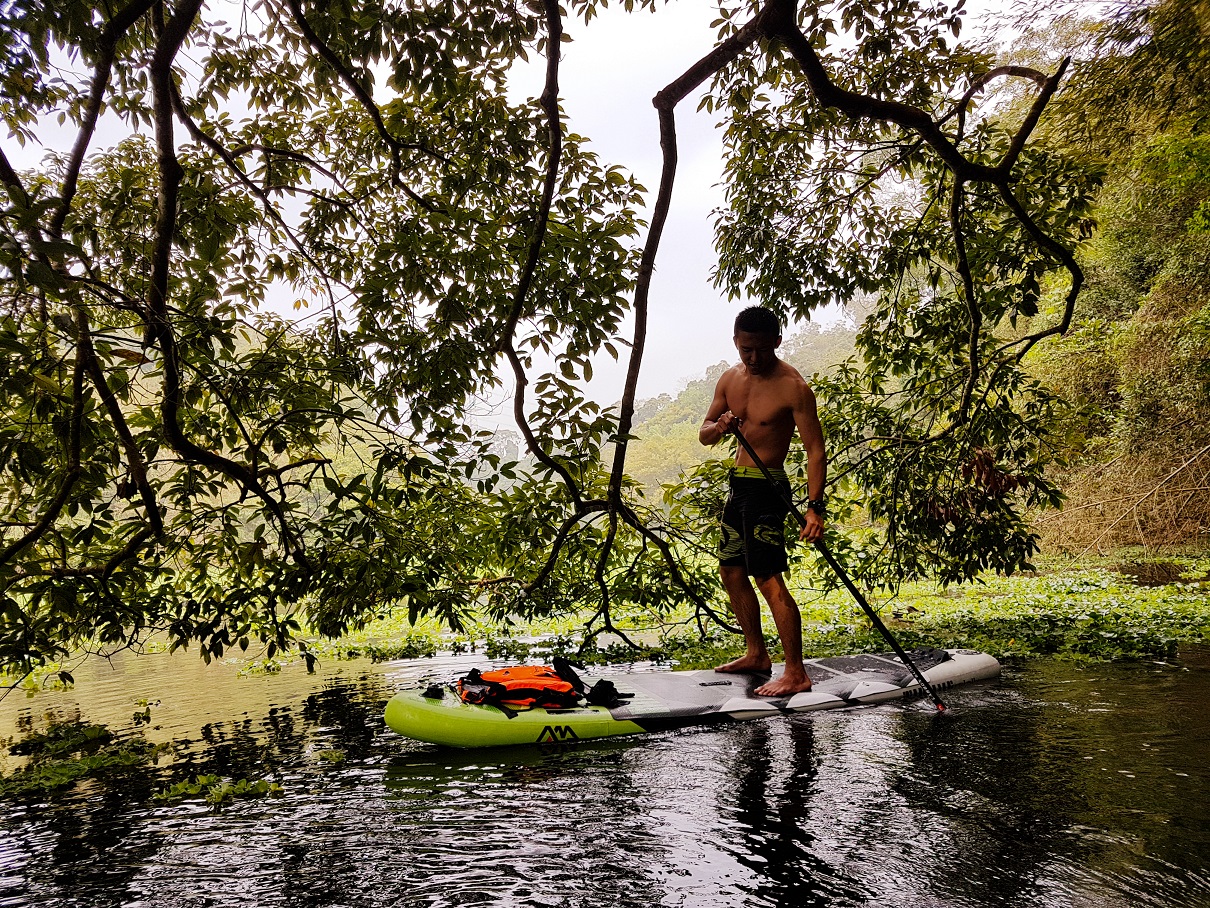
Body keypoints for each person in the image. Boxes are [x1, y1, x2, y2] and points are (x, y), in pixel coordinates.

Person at [699, 306, 827, 697]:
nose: (753, 358)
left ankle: (796, 672)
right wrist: (720, 426)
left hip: (768, 490)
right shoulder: (729, 379)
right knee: (731, 572)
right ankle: (757, 654)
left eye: (762, 349)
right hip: (738, 487)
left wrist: (815, 508)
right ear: (736, 342)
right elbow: (704, 434)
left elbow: (815, 450)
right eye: (746, 350)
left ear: (777, 341)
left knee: (767, 578)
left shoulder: (793, 387)